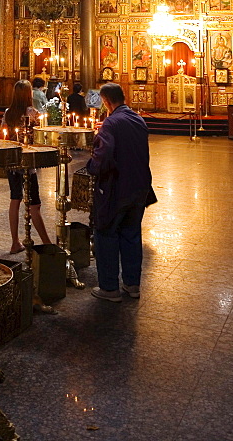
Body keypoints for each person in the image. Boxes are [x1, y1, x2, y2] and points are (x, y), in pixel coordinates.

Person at [87, 82, 151, 302]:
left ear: (106, 101)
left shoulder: (111, 123)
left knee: (106, 232)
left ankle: (109, 287)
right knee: (132, 234)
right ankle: (132, 285)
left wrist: (91, 167)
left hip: (117, 188)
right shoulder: (138, 119)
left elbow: (103, 157)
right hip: (140, 187)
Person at [3, 80, 52, 254]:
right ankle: (47, 243)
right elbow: (41, 135)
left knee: (15, 200)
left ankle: (15, 242)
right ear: (28, 94)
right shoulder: (32, 113)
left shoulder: (8, 113)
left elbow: (4, 136)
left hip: (12, 162)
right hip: (27, 163)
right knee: (34, 205)